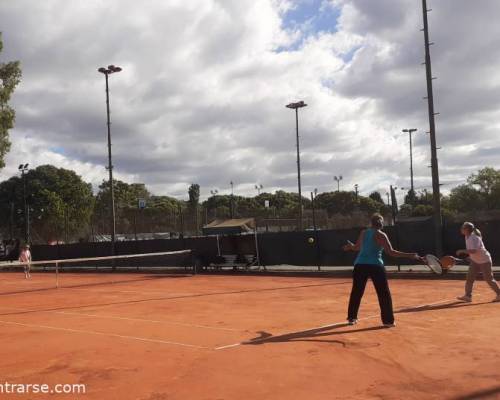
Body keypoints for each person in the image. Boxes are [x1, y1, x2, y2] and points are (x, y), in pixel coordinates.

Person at [343, 213, 421, 327]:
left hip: (360, 265)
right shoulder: (381, 235)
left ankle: (351, 318)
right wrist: (409, 255)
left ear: (371, 223)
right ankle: (388, 321)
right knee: (383, 293)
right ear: (381, 223)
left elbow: (357, 248)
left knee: (356, 292)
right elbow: (391, 252)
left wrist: (350, 246)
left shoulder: (364, 232)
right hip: (375, 266)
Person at [456, 222, 500, 303]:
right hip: (475, 261)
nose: (461, 229)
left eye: (463, 227)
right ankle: (468, 296)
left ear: (467, 229)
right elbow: (474, 251)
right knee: (470, 277)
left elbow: (474, 250)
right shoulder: (467, 236)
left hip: (485, 260)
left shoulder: (474, 238)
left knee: (489, 279)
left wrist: (462, 251)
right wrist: (470, 257)